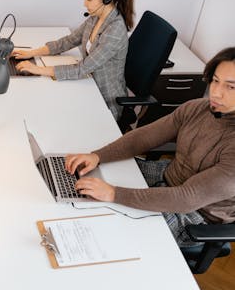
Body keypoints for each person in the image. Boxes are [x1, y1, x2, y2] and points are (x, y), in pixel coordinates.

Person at [65, 47, 235, 247]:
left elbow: (187, 199)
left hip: (196, 214)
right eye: (215, 81)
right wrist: (97, 156)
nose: (216, 92)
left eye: (230, 87)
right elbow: (145, 137)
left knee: (109, 232)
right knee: (88, 177)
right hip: (168, 176)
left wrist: (114, 193)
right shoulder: (197, 108)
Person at [13, 0, 134, 120]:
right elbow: (69, 40)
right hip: (88, 84)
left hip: (104, 99)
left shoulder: (115, 31)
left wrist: (37, 69)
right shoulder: (96, 17)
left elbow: (82, 68)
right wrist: (33, 53)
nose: (84, 3)